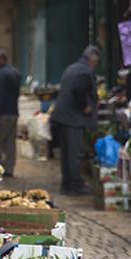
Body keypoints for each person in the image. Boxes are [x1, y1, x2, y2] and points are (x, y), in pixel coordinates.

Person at [51, 45, 100, 195]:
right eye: (97, 60)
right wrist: (86, 106)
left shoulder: (72, 67)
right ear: (92, 58)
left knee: (67, 154)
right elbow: (78, 89)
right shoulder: (85, 71)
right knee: (74, 154)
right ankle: (75, 185)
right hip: (73, 118)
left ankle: (66, 184)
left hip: (63, 117)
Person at [0, 51, 21, 177]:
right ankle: (9, 169)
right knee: (10, 142)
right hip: (13, 112)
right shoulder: (15, 72)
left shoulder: (0, 75)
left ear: (2, 59)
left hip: (2, 114)